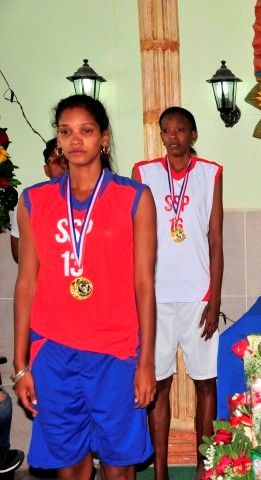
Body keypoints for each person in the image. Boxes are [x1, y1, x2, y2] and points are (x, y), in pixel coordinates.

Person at [13, 94, 157, 480]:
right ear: (58, 139)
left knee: (118, 467)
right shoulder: (33, 201)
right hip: (54, 350)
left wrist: (146, 363)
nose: (75, 140)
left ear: (104, 138)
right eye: (66, 131)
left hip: (116, 352)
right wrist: (20, 363)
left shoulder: (134, 198)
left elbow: (145, 284)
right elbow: (26, 281)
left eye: (86, 131)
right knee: (69, 466)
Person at [132, 106, 223, 480]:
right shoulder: (144, 173)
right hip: (155, 299)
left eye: (180, 129)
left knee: (206, 382)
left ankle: (205, 467)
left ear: (193, 135)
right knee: (159, 385)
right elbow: (135, 237)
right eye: (166, 130)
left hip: (199, 296)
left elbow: (216, 241)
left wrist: (215, 298)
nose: (173, 136)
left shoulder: (211, 173)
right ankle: (160, 471)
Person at [9, 138, 69, 263]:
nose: (63, 166)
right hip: (45, 278)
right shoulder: (29, 201)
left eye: (67, 160)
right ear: (46, 170)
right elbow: (19, 255)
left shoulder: (97, 198)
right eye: (56, 161)